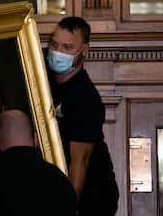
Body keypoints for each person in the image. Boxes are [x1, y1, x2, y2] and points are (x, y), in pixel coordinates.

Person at [46, 16, 119, 216]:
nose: (58, 52)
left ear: (84, 50)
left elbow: (81, 161)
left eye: (67, 47)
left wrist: (66, 211)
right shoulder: (42, 82)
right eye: (54, 44)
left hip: (93, 200)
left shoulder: (86, 98)